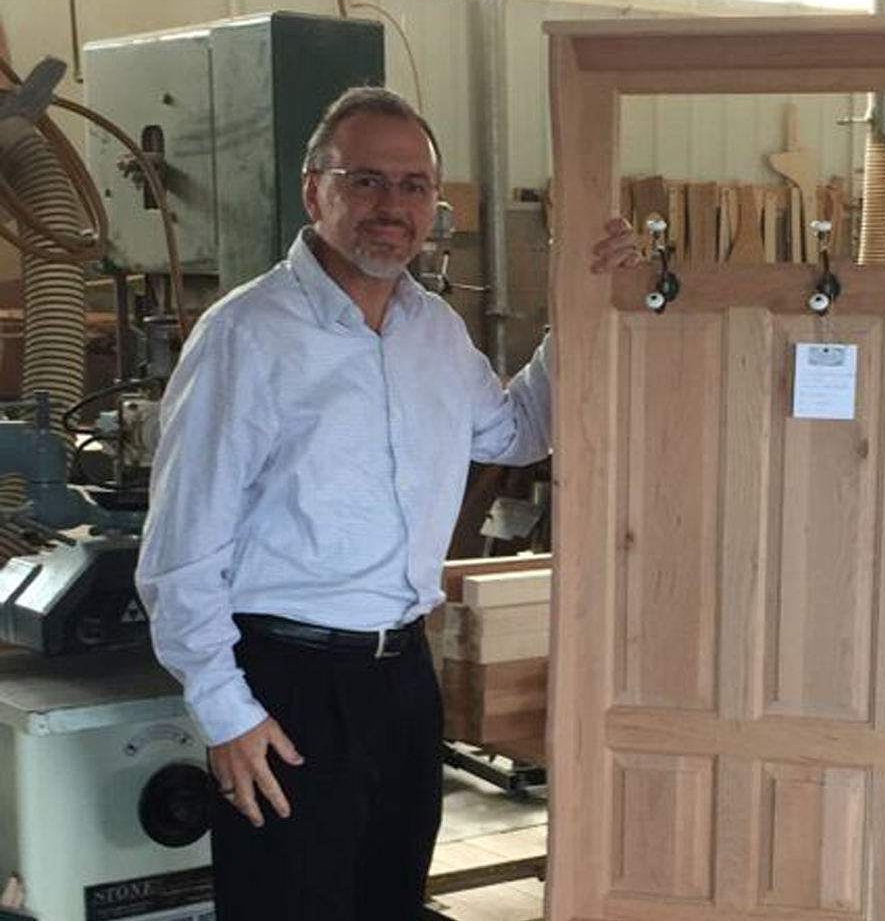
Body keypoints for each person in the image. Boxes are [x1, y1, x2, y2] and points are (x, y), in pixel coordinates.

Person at [136, 85, 639, 920]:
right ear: (315, 190)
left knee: (390, 901)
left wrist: (579, 305)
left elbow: (516, 432)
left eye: (413, 187)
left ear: (434, 204)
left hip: (402, 680)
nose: (391, 207)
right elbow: (180, 549)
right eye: (365, 181)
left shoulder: (433, 330)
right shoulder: (246, 336)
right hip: (287, 687)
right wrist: (225, 712)